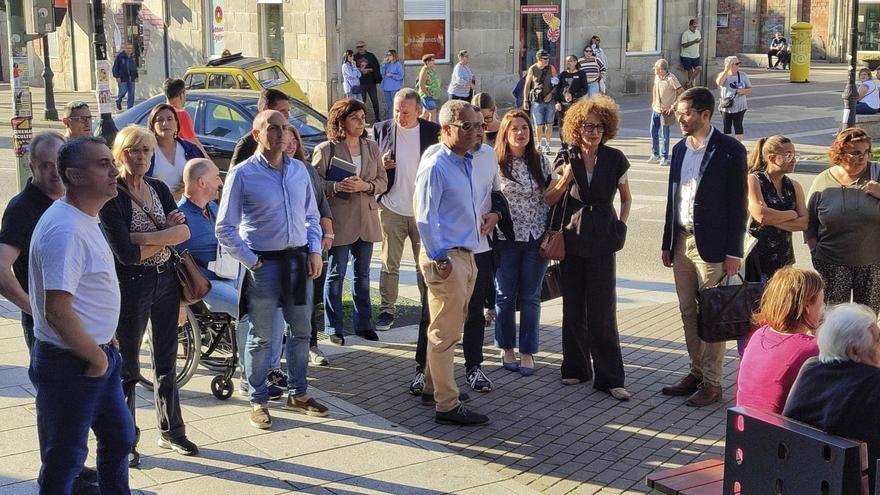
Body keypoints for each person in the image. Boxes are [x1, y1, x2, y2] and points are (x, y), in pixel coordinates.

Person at [29, 136, 135, 494]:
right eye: (102, 164)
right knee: (65, 460)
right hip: (73, 363)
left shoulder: (84, 218)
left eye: (111, 161)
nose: (114, 170)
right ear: (74, 175)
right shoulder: (65, 229)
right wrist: (96, 359)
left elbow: (87, 291)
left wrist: (106, 339)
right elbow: (57, 310)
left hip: (98, 354)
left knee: (120, 439)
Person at [216, 110, 329, 430]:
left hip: (297, 261)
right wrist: (252, 261)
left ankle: (299, 393)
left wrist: (315, 250)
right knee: (261, 336)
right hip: (263, 263)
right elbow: (225, 228)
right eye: (273, 129)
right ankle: (258, 398)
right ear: (256, 135)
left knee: (301, 331)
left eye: (285, 129)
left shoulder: (299, 171)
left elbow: (311, 217)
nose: (281, 135)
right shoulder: (242, 174)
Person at [99, 125, 197, 466]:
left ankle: (172, 430)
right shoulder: (112, 197)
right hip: (132, 285)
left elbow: (184, 232)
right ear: (119, 154)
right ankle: (126, 440)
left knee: (167, 360)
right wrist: (162, 236)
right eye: (133, 151)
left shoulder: (157, 188)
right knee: (127, 367)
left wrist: (143, 238)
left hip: (167, 280)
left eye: (146, 152)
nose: (141, 158)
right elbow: (124, 254)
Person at [660, 87, 748, 407]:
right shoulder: (680, 149)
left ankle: (713, 383)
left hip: (714, 246)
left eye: (685, 113)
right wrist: (667, 241)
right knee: (687, 311)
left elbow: (739, 204)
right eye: (679, 113)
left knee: (714, 315)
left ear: (705, 115)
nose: (680, 118)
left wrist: (733, 252)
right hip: (682, 240)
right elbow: (674, 199)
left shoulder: (729, 150)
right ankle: (696, 372)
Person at [545, 96, 633, 400]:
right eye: (586, 125)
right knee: (573, 306)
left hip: (604, 237)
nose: (592, 131)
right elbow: (550, 198)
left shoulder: (615, 158)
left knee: (603, 310)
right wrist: (567, 175)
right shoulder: (566, 156)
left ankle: (610, 377)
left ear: (606, 127)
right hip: (573, 236)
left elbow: (626, 197)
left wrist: (621, 226)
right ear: (576, 127)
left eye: (598, 125)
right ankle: (575, 368)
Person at [414, 99, 492, 426]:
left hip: (466, 253)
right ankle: (447, 404)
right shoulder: (437, 165)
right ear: (446, 129)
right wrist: (438, 257)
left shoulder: (466, 161)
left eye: (479, 125)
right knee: (445, 333)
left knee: (449, 326)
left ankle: (434, 387)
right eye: (468, 126)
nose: (477, 131)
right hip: (447, 257)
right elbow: (424, 217)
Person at [313, 98, 388, 345]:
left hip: (366, 218)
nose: (360, 122)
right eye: (354, 118)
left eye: (363, 118)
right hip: (340, 220)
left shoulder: (371, 147)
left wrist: (365, 185)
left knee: (363, 275)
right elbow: (315, 185)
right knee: (336, 274)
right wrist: (336, 186)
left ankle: (364, 324)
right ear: (341, 121)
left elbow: (382, 181)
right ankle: (333, 327)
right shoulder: (326, 149)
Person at [784, 303, 880, 493]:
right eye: (877, 340)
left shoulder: (810, 369)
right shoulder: (874, 383)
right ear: (854, 352)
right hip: (854, 486)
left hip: (797, 481)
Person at [373, 89, 441, 333]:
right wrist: (380, 165)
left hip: (423, 210)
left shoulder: (433, 132)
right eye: (396, 111)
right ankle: (386, 311)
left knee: (424, 263)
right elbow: (371, 166)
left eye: (405, 112)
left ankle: (428, 308)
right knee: (389, 262)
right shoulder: (381, 129)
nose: (400, 117)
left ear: (418, 111)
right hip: (392, 206)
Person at [493, 110, 551, 378]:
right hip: (506, 238)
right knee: (505, 295)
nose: (520, 133)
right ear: (505, 132)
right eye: (514, 128)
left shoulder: (541, 162)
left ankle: (527, 351)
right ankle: (506, 347)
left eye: (525, 128)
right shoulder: (495, 163)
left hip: (535, 236)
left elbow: (551, 196)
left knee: (531, 296)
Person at [0, 132, 65, 352]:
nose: (55, 171)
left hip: (78, 315)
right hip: (47, 324)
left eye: (59, 162)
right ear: (31, 167)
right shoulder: (22, 208)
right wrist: (34, 309)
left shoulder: (71, 199)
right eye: (46, 165)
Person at [806, 128, 880, 313]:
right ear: (840, 153)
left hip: (871, 264)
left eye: (865, 152)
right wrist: (814, 248)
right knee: (833, 319)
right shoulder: (823, 180)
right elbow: (810, 220)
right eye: (855, 153)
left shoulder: (876, 174)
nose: (862, 158)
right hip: (832, 263)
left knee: (867, 321)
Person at [736, 267, 824, 414]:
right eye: (821, 303)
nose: (823, 309)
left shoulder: (759, 334)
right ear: (807, 306)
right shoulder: (812, 349)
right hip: (781, 431)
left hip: (744, 425)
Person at [285, 124, 334, 366]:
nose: (292, 144)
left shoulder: (307, 170)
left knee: (309, 298)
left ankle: (311, 345)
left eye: (295, 140)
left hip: (309, 244)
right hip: (283, 247)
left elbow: (321, 205)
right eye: (287, 139)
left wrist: (328, 234)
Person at [745, 135, 807, 282]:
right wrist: (792, 213)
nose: (793, 160)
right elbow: (761, 215)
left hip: (784, 258)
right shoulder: (754, 180)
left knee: (782, 303)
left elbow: (803, 223)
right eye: (788, 156)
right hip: (757, 259)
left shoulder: (794, 186)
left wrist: (772, 219)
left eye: (795, 155)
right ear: (772, 158)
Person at [146, 103, 205, 199]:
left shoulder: (191, 150)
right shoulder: (146, 152)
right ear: (152, 125)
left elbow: (204, 177)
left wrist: (189, 186)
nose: (165, 123)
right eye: (160, 120)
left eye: (169, 119)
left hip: (188, 205)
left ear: (176, 123)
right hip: (157, 208)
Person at [231, 88, 290, 166]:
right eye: (282, 111)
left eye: (288, 111)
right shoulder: (247, 144)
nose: (287, 116)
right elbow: (234, 174)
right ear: (265, 109)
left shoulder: (291, 138)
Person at [649, 59, 683, 167]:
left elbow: (681, 92)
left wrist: (673, 106)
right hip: (656, 109)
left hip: (665, 111)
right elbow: (655, 87)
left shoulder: (671, 78)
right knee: (653, 131)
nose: (656, 71)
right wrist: (654, 101)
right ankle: (655, 154)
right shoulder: (657, 77)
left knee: (665, 135)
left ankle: (664, 156)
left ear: (662, 69)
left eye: (657, 69)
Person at [523, 49, 558, 153]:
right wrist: (525, 100)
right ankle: (539, 144)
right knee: (538, 125)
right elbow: (527, 85)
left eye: (548, 58)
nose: (547, 60)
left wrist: (551, 94)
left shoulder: (551, 68)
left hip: (549, 100)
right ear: (539, 59)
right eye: (544, 58)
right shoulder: (532, 69)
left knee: (549, 123)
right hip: (537, 100)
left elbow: (556, 83)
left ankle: (547, 144)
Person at [163, 78, 208, 156]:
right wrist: (207, 159)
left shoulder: (158, 113)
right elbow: (192, 141)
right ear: (182, 94)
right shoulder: (182, 114)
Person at [716, 56, 752, 142]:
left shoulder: (743, 75)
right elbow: (719, 83)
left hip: (740, 105)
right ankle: (727, 144)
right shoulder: (723, 75)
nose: (738, 65)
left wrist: (743, 91)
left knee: (738, 125)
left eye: (739, 63)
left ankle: (738, 144)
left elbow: (750, 89)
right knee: (727, 126)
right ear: (729, 65)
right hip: (727, 106)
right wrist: (726, 69)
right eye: (736, 63)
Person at [353, 41, 383, 123]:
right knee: (362, 102)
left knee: (375, 101)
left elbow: (376, 67)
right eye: (358, 47)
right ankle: (363, 119)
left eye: (361, 46)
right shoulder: (355, 57)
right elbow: (352, 69)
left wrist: (368, 70)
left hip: (371, 82)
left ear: (365, 46)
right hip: (361, 83)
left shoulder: (370, 56)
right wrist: (360, 70)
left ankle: (377, 117)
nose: (360, 48)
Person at [555, 55, 588, 128]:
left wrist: (573, 96)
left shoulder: (581, 73)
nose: (567, 63)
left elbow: (585, 89)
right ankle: (563, 139)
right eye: (566, 61)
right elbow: (558, 89)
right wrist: (557, 102)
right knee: (562, 126)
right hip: (563, 104)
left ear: (575, 62)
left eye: (570, 61)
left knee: (575, 125)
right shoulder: (563, 74)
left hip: (575, 104)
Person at [112, 43, 138, 110]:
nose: (129, 50)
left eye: (131, 48)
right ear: (125, 49)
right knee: (123, 91)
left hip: (131, 78)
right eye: (128, 48)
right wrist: (117, 77)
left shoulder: (133, 57)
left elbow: (135, 67)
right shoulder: (120, 57)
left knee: (131, 93)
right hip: (122, 78)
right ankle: (118, 100)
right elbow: (115, 68)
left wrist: (136, 76)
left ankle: (130, 108)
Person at [417, 54, 442, 122]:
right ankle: (432, 130)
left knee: (425, 114)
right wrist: (428, 95)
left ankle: (416, 124)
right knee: (433, 113)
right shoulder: (425, 70)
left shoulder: (430, 69)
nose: (434, 62)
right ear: (427, 62)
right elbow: (421, 85)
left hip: (432, 95)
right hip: (427, 96)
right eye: (432, 60)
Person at [380, 49, 404, 118]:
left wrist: (392, 75)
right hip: (386, 87)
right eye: (387, 55)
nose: (388, 56)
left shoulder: (398, 64)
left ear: (394, 56)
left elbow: (401, 76)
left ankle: (396, 118)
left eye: (389, 55)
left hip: (394, 88)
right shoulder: (387, 64)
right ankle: (390, 119)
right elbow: (382, 73)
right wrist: (383, 64)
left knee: (395, 104)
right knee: (389, 105)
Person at [680, 19, 703, 89]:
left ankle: (689, 82)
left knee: (699, 68)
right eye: (693, 26)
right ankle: (691, 87)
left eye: (696, 27)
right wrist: (694, 42)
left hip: (696, 55)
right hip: (686, 56)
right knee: (690, 71)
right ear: (690, 26)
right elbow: (683, 45)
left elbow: (699, 39)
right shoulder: (685, 34)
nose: (695, 28)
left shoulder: (698, 32)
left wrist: (700, 41)